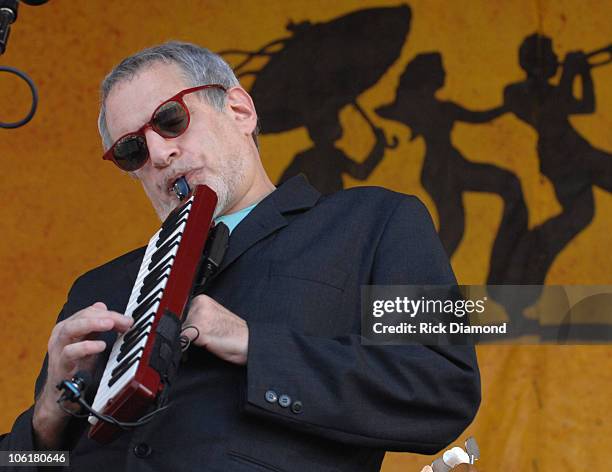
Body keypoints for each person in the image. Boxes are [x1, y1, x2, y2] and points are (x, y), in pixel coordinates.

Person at [0, 41, 480, 471]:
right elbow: (32, 462)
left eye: (170, 120)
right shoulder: (97, 290)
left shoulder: (377, 221)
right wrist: (45, 419)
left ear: (240, 110)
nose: (159, 153)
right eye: (132, 150)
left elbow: (442, 388)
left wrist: (253, 343)